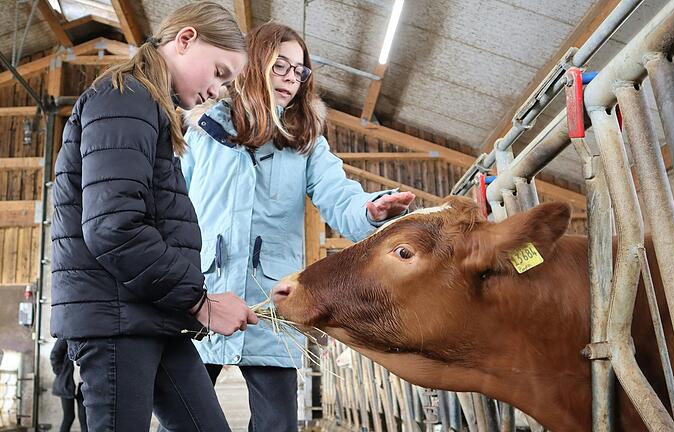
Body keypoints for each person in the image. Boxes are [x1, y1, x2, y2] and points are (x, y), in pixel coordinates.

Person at [181, 22, 415, 432]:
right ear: (253, 66)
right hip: (204, 299)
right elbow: (174, 207)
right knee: (182, 422)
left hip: (271, 305)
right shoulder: (203, 132)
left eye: (299, 71)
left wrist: (371, 210)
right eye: (281, 67)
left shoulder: (304, 138)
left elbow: (339, 194)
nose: (292, 78)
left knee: (277, 425)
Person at [49, 2, 258, 430]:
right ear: (185, 40)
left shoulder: (149, 111)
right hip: (117, 321)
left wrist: (193, 302)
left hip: (152, 314)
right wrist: (199, 302)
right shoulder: (124, 99)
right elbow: (114, 227)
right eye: (220, 73)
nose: (219, 91)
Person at [50, 338, 86, 432]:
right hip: (67, 383)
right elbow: (55, 354)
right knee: (69, 417)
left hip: (83, 384)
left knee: (84, 418)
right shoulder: (65, 336)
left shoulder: (87, 335)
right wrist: (61, 372)